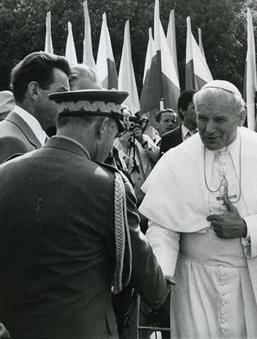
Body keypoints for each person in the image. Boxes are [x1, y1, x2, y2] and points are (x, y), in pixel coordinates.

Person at [139, 80, 257, 339]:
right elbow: (162, 225)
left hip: (251, 276)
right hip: (193, 280)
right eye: (202, 118)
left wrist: (246, 227)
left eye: (219, 120)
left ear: (240, 117)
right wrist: (162, 271)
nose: (209, 129)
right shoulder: (177, 157)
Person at [0, 89, 171, 339]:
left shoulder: (5, 173)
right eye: (114, 133)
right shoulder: (108, 184)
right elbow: (138, 267)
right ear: (102, 128)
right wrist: (161, 289)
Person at [0, 51, 70, 163]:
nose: (66, 101)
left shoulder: (34, 136)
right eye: (61, 92)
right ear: (34, 91)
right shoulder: (11, 142)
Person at [159, 90, 196, 155]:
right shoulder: (168, 139)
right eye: (194, 107)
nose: (199, 111)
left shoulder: (207, 135)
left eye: (200, 107)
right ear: (182, 110)